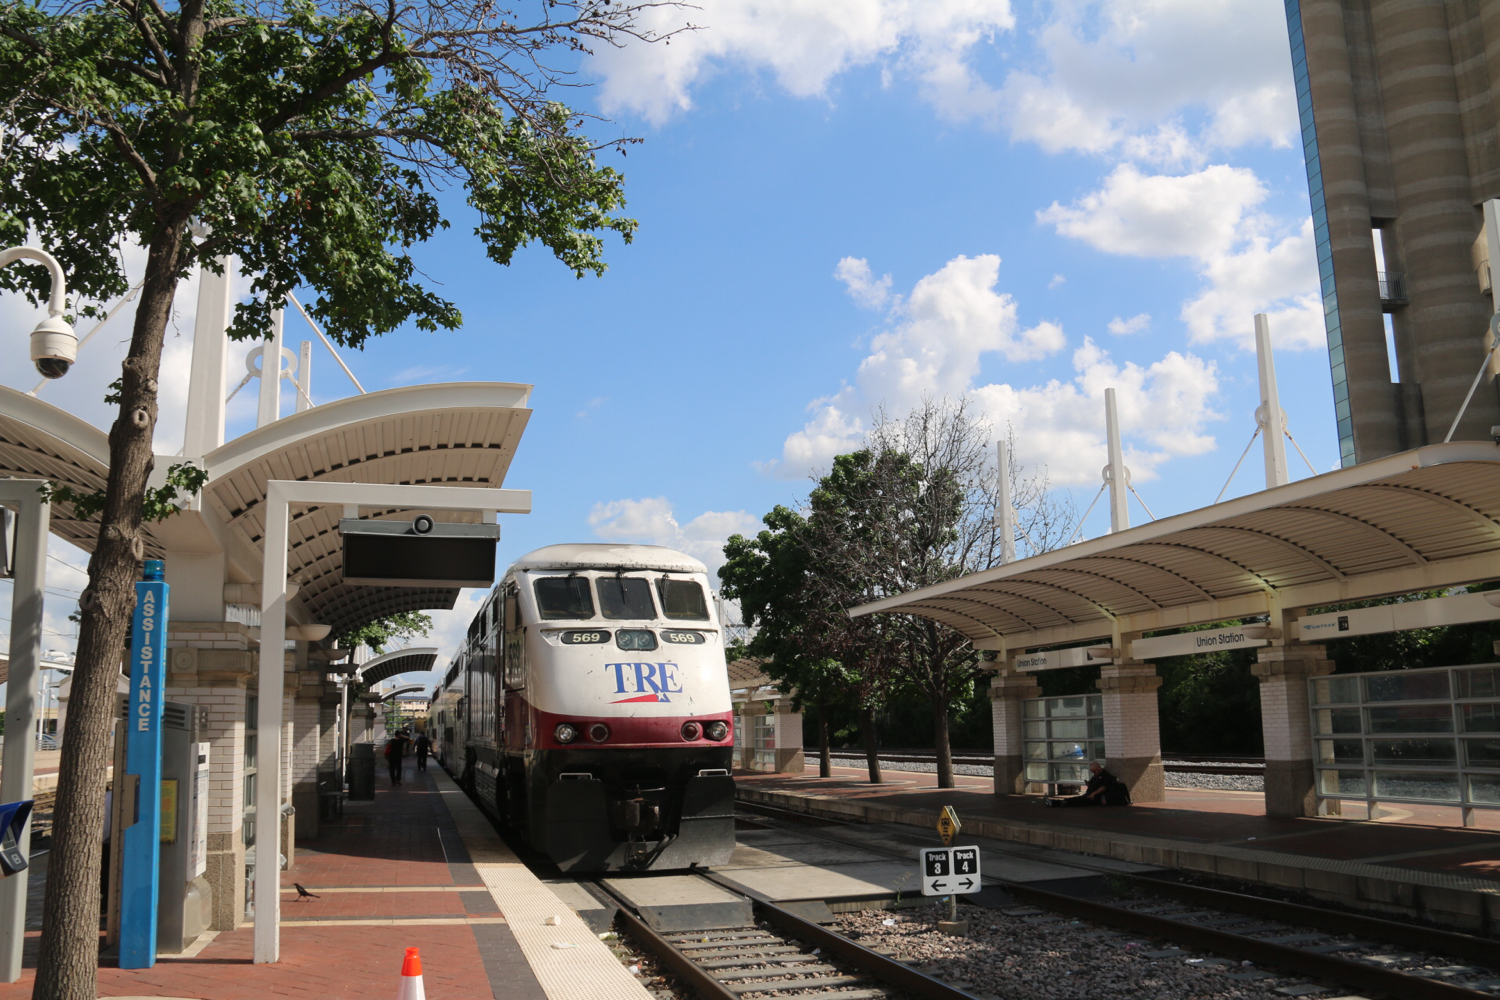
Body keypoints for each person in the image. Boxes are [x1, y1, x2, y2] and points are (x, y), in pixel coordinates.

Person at [1044, 762, 1131, 807]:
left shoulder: (1105, 776)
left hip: (1095, 798)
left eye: (1094, 771)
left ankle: (1055, 803)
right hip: (1089, 794)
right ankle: (1055, 802)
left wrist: (1093, 794)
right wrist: (1088, 784)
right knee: (1075, 800)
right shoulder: (1095, 776)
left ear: (1099, 768)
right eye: (1092, 772)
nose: (1094, 773)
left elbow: (1103, 787)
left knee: (1078, 802)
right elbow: (1094, 785)